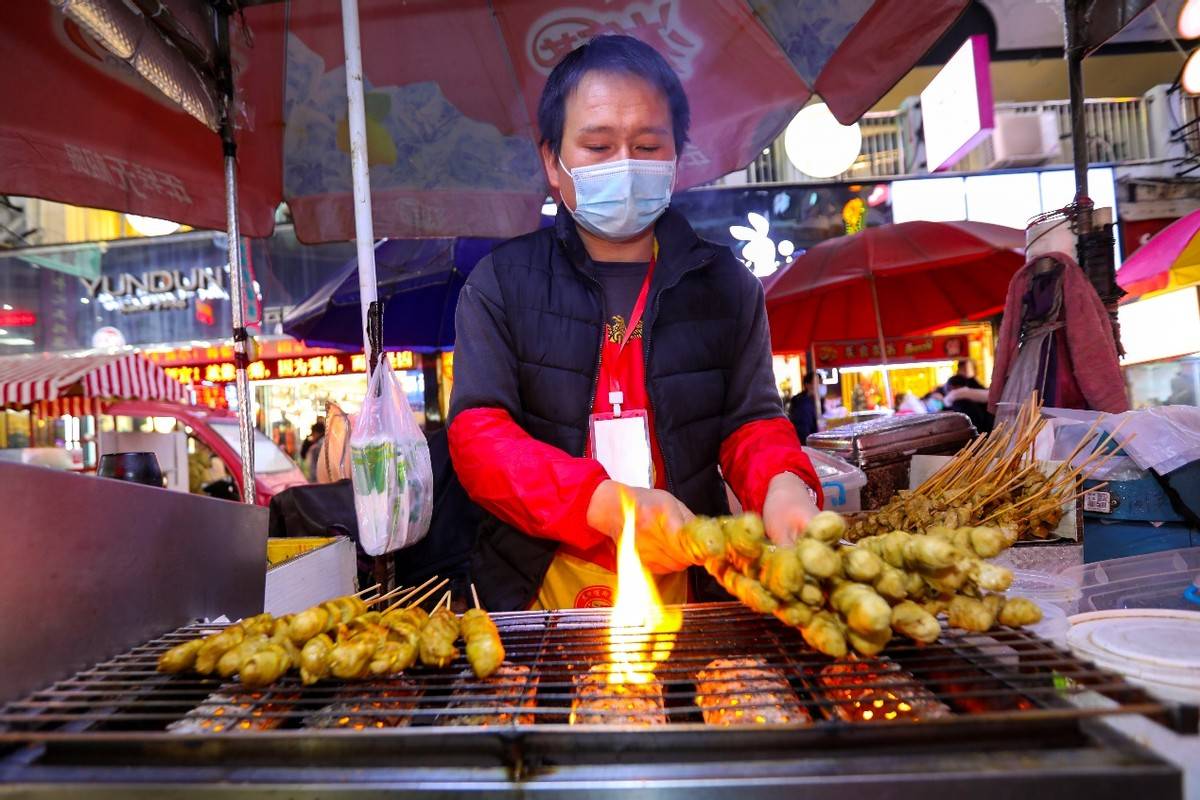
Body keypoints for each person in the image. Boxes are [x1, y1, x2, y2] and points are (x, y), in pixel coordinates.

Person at [448, 35, 823, 612]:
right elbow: (479, 437)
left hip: (692, 588)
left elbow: (751, 422)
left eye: (648, 145)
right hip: (536, 596)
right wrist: (604, 504)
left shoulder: (725, 284)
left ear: (677, 156)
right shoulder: (501, 283)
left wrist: (784, 486)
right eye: (598, 146)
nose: (624, 164)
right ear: (553, 160)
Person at [787, 371, 822, 445]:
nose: (819, 386)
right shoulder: (803, 403)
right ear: (807, 385)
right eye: (817, 383)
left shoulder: (813, 400)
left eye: (820, 383)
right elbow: (804, 431)